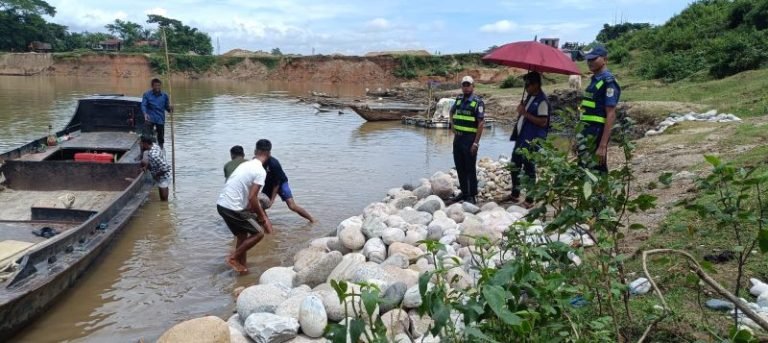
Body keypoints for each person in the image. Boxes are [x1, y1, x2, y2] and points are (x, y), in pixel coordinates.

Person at [216, 142, 274, 274]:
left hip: (222, 204)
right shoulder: (260, 171)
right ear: (269, 154)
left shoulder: (245, 165)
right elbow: (253, 198)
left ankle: (242, 270)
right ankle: (232, 257)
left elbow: (246, 194)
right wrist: (262, 217)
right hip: (233, 207)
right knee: (259, 233)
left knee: (242, 236)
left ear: (255, 151)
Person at [508, 72, 550, 207]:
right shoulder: (529, 97)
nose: (526, 87)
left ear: (536, 84)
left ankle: (530, 199)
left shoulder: (542, 101)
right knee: (514, 164)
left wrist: (524, 113)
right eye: (525, 85)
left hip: (532, 140)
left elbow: (543, 122)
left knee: (529, 168)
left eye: (528, 84)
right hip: (522, 138)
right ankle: (515, 194)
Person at [578, 45, 621, 172]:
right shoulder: (594, 80)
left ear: (605, 59)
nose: (589, 62)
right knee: (584, 170)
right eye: (588, 59)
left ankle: (601, 193)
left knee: (597, 170)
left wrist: (603, 145)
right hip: (586, 131)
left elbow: (611, 114)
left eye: (593, 59)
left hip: (597, 132)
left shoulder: (608, 81)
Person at [256, 139, 316, 223]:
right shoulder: (256, 162)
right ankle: (266, 225)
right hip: (268, 184)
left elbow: (277, 183)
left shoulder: (274, 163)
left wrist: (272, 201)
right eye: (258, 152)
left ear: (268, 152)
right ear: (256, 151)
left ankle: (312, 220)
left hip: (281, 183)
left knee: (292, 206)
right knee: (259, 205)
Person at [449, 76, 485, 204]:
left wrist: (476, 143)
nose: (466, 87)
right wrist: (452, 125)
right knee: (459, 166)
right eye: (464, 85)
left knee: (470, 168)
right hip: (458, 138)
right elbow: (451, 112)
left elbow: (480, 124)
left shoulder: (477, 102)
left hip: (470, 139)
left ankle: (471, 195)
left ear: (473, 86)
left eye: (468, 85)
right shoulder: (458, 100)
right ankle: (464, 192)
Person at [141, 78, 173, 149]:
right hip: (150, 118)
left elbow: (167, 108)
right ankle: (142, 153)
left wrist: (171, 108)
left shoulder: (164, 96)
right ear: (152, 86)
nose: (157, 87)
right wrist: (145, 113)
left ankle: (161, 149)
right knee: (145, 137)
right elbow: (143, 105)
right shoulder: (147, 94)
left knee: (161, 137)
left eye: (159, 85)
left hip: (160, 118)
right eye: (156, 85)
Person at [139, 135, 171, 201]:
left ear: (145, 144)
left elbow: (166, 168)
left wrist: (156, 175)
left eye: (141, 143)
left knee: (163, 199)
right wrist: (146, 167)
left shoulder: (154, 155)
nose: (140, 145)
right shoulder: (154, 145)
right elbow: (150, 160)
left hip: (163, 177)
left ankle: (164, 209)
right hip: (160, 174)